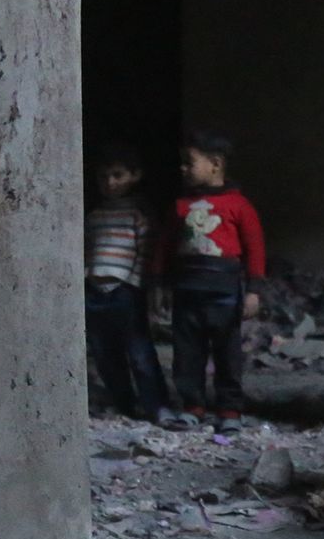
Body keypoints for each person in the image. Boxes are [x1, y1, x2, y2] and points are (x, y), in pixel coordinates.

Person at [150, 129, 265, 435]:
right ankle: (192, 407)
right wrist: (160, 283)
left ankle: (229, 410)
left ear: (215, 164)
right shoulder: (180, 207)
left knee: (228, 355)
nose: (183, 169)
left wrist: (254, 291)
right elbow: (165, 245)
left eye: (190, 162)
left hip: (225, 294)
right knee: (187, 354)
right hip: (187, 292)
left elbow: (255, 249)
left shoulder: (239, 206)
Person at [83, 143, 171, 424]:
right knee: (104, 354)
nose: (110, 182)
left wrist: (135, 285)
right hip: (95, 291)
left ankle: (157, 406)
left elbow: (145, 251)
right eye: (104, 177)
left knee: (139, 353)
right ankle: (125, 405)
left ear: (135, 176)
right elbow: (86, 250)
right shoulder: (94, 216)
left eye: (117, 175)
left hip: (124, 291)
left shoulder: (138, 213)